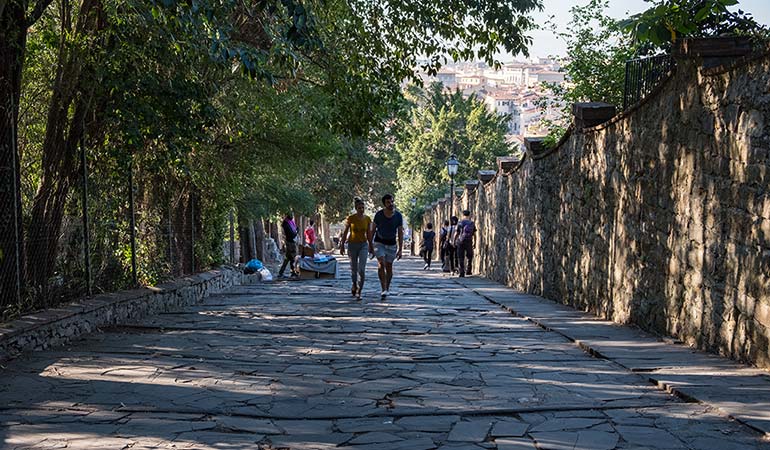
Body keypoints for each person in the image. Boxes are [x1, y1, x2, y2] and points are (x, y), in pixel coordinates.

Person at [368, 194, 403, 298]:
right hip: (379, 242)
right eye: (388, 202)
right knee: (381, 263)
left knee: (389, 266)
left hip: (391, 244)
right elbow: (372, 230)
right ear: (384, 204)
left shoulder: (398, 216)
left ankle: (387, 287)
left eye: (392, 201)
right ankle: (383, 288)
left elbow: (400, 232)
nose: (391, 204)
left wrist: (400, 249)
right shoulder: (379, 215)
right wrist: (370, 245)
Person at [339, 198, 372, 299]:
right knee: (354, 269)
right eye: (359, 208)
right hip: (352, 245)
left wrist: (371, 246)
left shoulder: (367, 219)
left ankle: (359, 291)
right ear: (356, 208)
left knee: (361, 269)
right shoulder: (351, 218)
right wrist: (342, 245)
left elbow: (369, 234)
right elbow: (345, 232)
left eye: (363, 208)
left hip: (363, 245)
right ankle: (354, 284)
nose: (361, 209)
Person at [454, 209, 476, 277]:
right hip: (469, 241)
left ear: (463, 215)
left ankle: (462, 272)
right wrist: (475, 242)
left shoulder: (460, 223)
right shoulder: (472, 223)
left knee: (461, 257)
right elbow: (474, 234)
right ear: (469, 215)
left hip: (460, 241)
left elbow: (456, 233)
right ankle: (469, 270)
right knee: (470, 256)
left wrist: (454, 240)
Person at [278, 212, 299, 278]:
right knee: (291, 257)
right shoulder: (286, 224)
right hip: (290, 242)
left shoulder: (290, 222)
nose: (292, 216)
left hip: (291, 242)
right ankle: (288, 272)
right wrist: (296, 232)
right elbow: (291, 234)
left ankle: (291, 272)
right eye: (291, 215)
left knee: (289, 258)